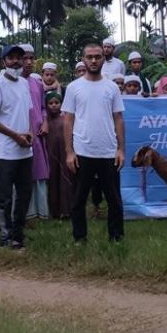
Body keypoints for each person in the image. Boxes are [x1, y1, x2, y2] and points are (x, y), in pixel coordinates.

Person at [63, 43, 126, 243]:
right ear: (83, 59)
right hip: (82, 151)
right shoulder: (73, 88)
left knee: (114, 199)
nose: (93, 60)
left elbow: (118, 118)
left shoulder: (112, 87)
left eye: (97, 57)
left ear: (103, 59)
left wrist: (121, 149)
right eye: (89, 57)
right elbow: (68, 120)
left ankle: (116, 237)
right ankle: (79, 238)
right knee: (79, 199)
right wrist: (69, 152)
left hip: (108, 151)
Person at [0, 45, 34, 251]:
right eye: (11, 58)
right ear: (3, 61)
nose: (15, 61)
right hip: (4, 152)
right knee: (4, 197)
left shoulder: (24, 84)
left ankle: (18, 234)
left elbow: (25, 113)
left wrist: (28, 133)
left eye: (19, 58)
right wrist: (15, 136)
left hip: (25, 151)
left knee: (24, 194)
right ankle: (6, 236)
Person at [20, 44, 51, 221]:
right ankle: (26, 212)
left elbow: (42, 107)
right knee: (24, 174)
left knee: (39, 171)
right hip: (20, 135)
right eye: (25, 58)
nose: (29, 62)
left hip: (38, 134)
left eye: (31, 58)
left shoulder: (37, 84)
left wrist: (45, 122)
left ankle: (41, 211)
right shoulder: (12, 83)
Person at [45, 92, 72, 219]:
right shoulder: (45, 121)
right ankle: (54, 210)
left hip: (64, 154)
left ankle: (66, 210)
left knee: (65, 180)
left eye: (56, 103)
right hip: (51, 155)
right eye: (51, 103)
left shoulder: (65, 119)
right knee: (53, 181)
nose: (54, 105)